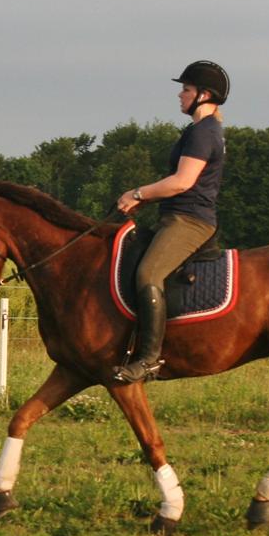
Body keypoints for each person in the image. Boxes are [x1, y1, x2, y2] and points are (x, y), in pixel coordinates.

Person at [113, 60, 230, 382]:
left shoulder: (204, 133)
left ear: (204, 95)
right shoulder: (199, 131)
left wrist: (138, 194)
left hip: (190, 221)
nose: (180, 95)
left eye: (186, 89)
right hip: (174, 216)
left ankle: (149, 360)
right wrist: (146, 198)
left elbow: (182, 182)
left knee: (148, 273)